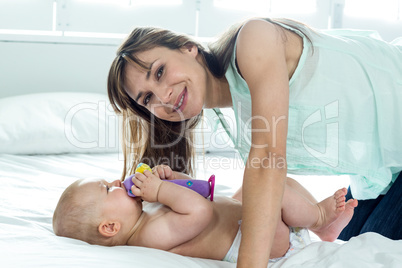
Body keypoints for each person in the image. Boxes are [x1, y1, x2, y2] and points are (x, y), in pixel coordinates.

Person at [107, 17, 402, 267]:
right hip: (385, 167)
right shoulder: (231, 112)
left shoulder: (254, 40)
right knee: (351, 249)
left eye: (159, 71)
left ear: (189, 48)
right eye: (147, 98)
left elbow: (268, 160)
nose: (163, 97)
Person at [53, 166, 357, 263]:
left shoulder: (147, 215)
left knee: (272, 181)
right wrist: (160, 191)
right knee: (268, 188)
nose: (118, 182)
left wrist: (172, 180)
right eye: (108, 189)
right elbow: (199, 213)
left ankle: (323, 232)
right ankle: (317, 216)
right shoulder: (148, 237)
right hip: (264, 244)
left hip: (246, 221)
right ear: (109, 227)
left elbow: (202, 196)